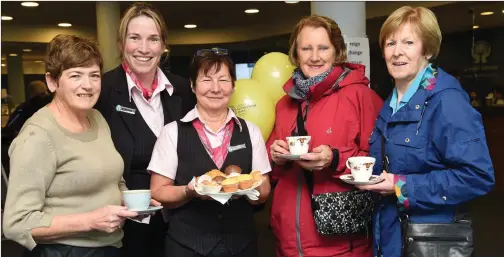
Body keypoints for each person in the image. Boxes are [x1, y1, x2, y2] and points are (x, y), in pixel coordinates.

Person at [358, 6, 495, 257]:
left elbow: (477, 176)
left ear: (428, 49)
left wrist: (402, 186)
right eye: (390, 43)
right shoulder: (390, 102)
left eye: (408, 42)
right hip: (390, 237)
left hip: (430, 241)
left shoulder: (447, 101)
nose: (397, 52)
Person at [2, 34, 140, 257]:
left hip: (110, 247)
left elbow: (113, 180)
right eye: (76, 75)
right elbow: (17, 223)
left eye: (94, 75)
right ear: (52, 82)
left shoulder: (96, 118)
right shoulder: (38, 135)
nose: (87, 85)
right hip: (63, 251)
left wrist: (132, 201)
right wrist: (90, 221)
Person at [267, 15, 383, 257]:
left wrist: (335, 158)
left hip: (340, 244)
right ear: (296, 53)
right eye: (306, 48)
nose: (315, 57)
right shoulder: (283, 105)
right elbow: (270, 172)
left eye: (323, 48)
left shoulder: (360, 96)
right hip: (288, 241)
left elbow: (380, 164)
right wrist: (275, 158)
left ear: (337, 50)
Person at [94, 3, 196, 257]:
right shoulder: (102, 91)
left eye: (152, 39)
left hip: (180, 222)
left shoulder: (182, 90)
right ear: (121, 44)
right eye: (134, 38)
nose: (143, 48)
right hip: (124, 228)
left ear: (163, 45)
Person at [148, 49, 272, 257]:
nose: (216, 88)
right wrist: (188, 192)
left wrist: (249, 189)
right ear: (192, 85)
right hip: (186, 246)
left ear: (233, 85)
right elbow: (158, 191)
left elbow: (264, 190)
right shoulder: (172, 132)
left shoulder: (251, 131)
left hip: (241, 246)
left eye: (223, 80)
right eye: (206, 80)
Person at [2, 80, 52, 176]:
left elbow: (9, 129)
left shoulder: (24, 108)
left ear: (30, 93)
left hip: (30, 155)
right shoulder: (57, 105)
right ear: (46, 90)